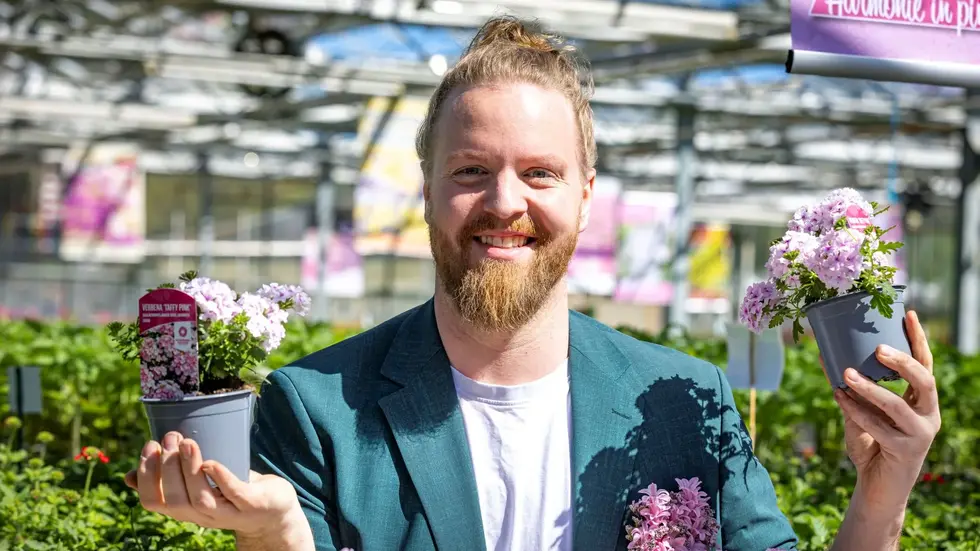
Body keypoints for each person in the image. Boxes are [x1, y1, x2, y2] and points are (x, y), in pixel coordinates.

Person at [125, 15, 941, 551]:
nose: (504, 203)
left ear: (586, 195)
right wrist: (274, 536)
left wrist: (883, 491)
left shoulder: (686, 400)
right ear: (427, 192)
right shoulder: (318, 410)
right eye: (470, 170)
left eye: (540, 172)